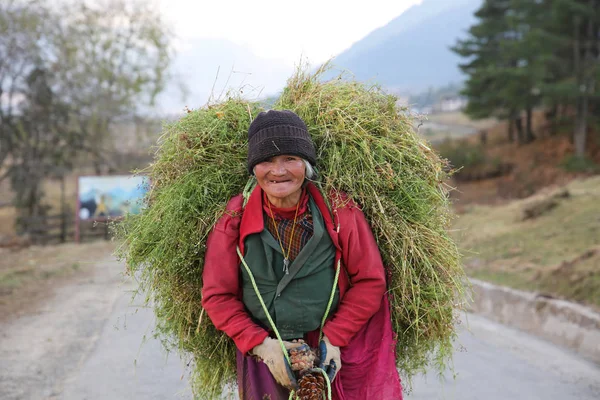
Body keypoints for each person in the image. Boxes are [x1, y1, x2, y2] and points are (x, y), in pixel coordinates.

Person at [202, 110, 403, 399]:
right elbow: (217, 296)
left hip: (333, 352)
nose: (278, 171)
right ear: (253, 168)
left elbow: (370, 281)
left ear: (306, 165)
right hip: (267, 355)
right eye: (266, 161)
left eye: (290, 159)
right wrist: (261, 345)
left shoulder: (339, 211)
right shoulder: (234, 218)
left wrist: (335, 338)